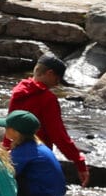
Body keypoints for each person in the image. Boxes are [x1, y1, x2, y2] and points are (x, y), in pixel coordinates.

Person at [5, 55, 89, 187]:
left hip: (13, 154)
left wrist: (4, 153)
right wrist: (79, 161)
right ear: (49, 73)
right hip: (37, 158)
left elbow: (10, 125)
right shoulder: (47, 99)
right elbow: (58, 135)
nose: (57, 84)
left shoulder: (18, 92)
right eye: (57, 79)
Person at [0, 109, 65, 196]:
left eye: (7, 127)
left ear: (16, 132)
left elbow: (3, 174)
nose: (4, 129)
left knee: (3, 176)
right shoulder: (36, 146)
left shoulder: (24, 150)